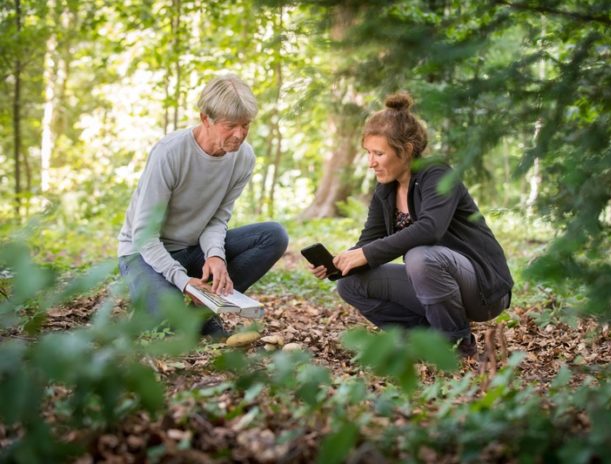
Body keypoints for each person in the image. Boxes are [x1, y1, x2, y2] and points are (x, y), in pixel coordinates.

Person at [310, 93, 513, 357]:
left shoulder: (437, 174)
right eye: (368, 153)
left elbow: (430, 228)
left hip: (483, 290)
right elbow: (369, 241)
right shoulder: (385, 190)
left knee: (420, 256)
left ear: (405, 150)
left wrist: (366, 254)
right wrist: (342, 261)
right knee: (350, 284)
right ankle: (426, 339)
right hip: (435, 283)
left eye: (379, 153)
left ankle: (456, 343)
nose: (371, 162)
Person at [118, 74, 288, 339]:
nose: (240, 134)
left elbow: (217, 219)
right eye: (230, 125)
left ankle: (202, 311)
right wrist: (183, 281)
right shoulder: (170, 153)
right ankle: (177, 308)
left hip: (191, 250)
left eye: (246, 125)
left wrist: (215, 255)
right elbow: (144, 235)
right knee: (167, 323)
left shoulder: (243, 158)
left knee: (273, 235)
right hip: (142, 254)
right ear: (205, 119)